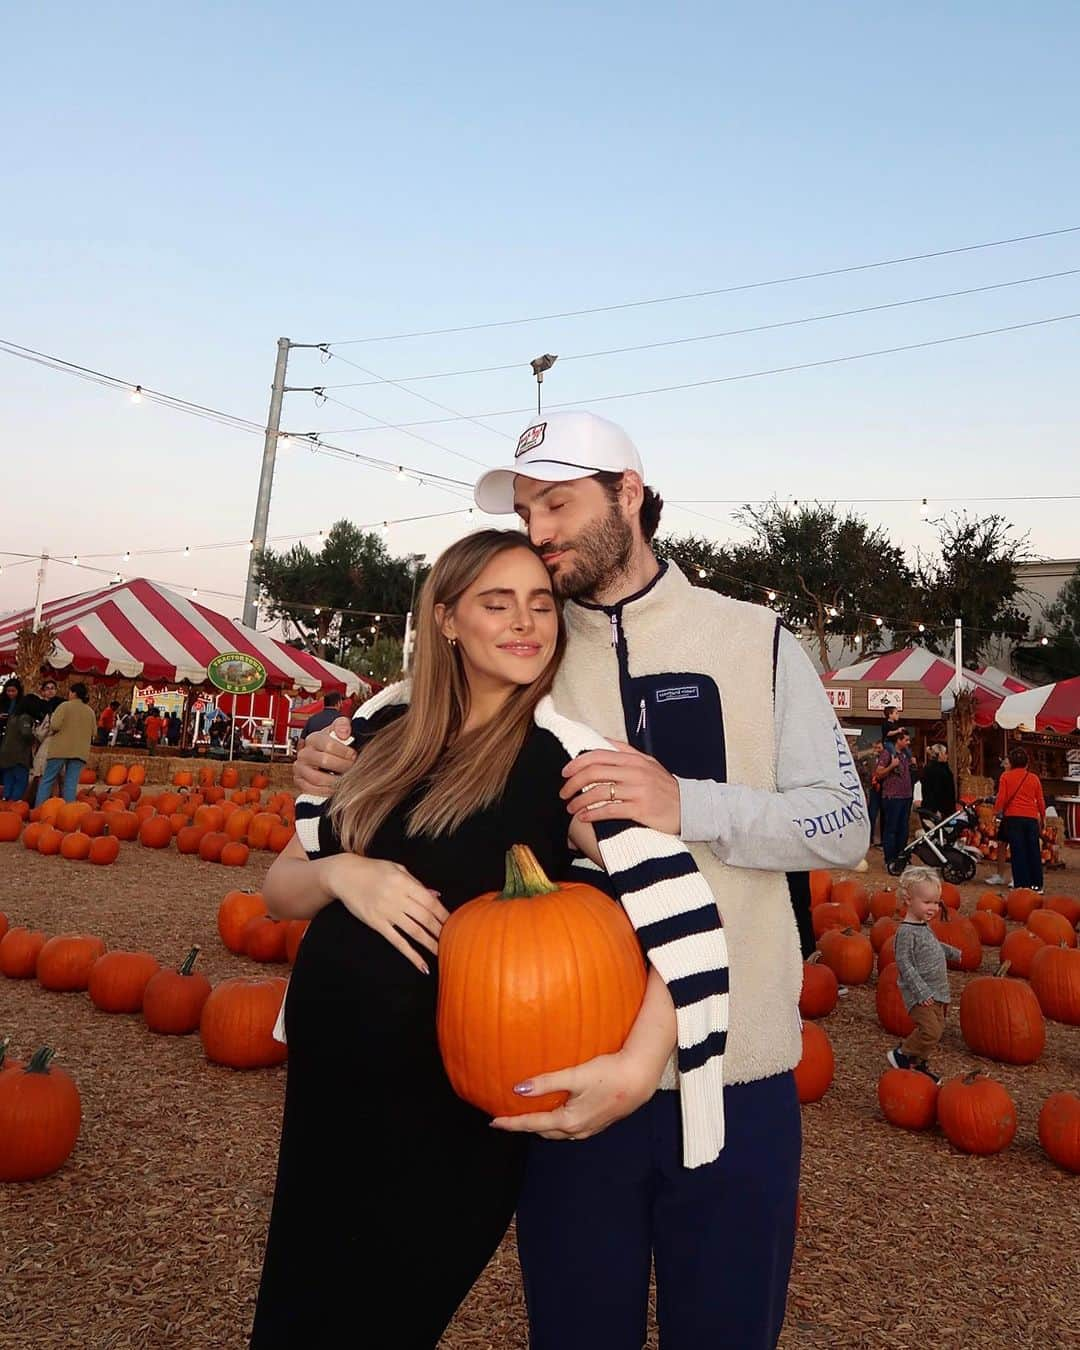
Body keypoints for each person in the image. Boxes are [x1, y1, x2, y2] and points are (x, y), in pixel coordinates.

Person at [296, 410, 868, 1349]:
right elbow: (413, 707)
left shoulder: (753, 639)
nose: (541, 531)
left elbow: (843, 825)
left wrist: (691, 803)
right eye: (527, 511)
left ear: (629, 496)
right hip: (572, 1068)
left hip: (738, 1069)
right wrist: (324, 759)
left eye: (558, 504)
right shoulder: (533, 645)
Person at [252, 530, 702, 1349]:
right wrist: (343, 874)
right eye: (499, 603)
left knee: (379, 1325)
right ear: (448, 620)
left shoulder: (566, 763)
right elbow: (280, 890)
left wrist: (640, 1062)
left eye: (541, 604)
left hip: (443, 1123)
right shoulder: (382, 737)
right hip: (328, 1100)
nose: (527, 622)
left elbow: (684, 911)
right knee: (294, 1316)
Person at [886, 867, 961, 1084]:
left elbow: (932, 946)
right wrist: (921, 992)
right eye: (927, 902)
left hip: (937, 991)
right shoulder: (907, 931)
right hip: (921, 993)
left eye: (936, 903)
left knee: (937, 1030)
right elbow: (904, 964)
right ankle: (902, 1054)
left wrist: (951, 952)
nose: (933, 908)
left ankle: (918, 1064)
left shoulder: (923, 926)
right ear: (908, 900)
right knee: (930, 1031)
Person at [995, 746, 1046, 893]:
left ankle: (1021, 885)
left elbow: (1001, 798)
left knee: (1018, 851)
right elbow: (1040, 800)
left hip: (1013, 817)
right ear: (1027, 763)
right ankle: (1037, 885)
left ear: (1010, 762)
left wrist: (995, 812)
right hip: (1030, 817)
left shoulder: (1005, 777)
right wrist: (1042, 816)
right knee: (1033, 851)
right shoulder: (1034, 778)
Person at [35, 682, 96, 804]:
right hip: (79, 751)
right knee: (70, 783)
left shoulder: (64, 706)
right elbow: (94, 733)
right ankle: (68, 810)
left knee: (48, 780)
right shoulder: (90, 712)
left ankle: (39, 809)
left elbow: (55, 725)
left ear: (73, 693)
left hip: (60, 749)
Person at [876, 727, 916, 866]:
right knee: (891, 828)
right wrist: (891, 766)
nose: (908, 742)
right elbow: (879, 773)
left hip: (906, 796)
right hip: (893, 797)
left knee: (903, 829)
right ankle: (890, 859)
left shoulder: (906, 755)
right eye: (906, 740)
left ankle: (901, 856)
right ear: (898, 740)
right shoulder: (888, 754)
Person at [27, 677, 63, 804]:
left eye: (52, 688)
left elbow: (45, 730)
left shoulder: (60, 706)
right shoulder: (37, 706)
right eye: (47, 689)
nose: (50, 691)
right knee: (41, 775)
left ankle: (52, 804)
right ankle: (42, 802)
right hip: (40, 743)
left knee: (50, 774)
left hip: (51, 743)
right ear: (42, 691)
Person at [0, 689, 37, 801]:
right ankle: (14, 804)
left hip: (5, 754)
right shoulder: (25, 717)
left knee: (8, 780)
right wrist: (33, 738)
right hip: (18, 756)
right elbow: (25, 733)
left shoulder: (13, 717)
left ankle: (5, 802)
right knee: (21, 781)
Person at [920, 743, 956, 820]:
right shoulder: (932, 769)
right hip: (937, 810)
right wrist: (936, 810)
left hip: (946, 810)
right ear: (940, 754)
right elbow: (931, 792)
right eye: (945, 753)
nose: (947, 756)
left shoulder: (943, 767)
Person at [0, 678, 23, 742]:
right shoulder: (1, 700)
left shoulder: (22, 702)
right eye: (8, 691)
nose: (10, 693)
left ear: (18, 690)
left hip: (14, 733)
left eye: (13, 691)